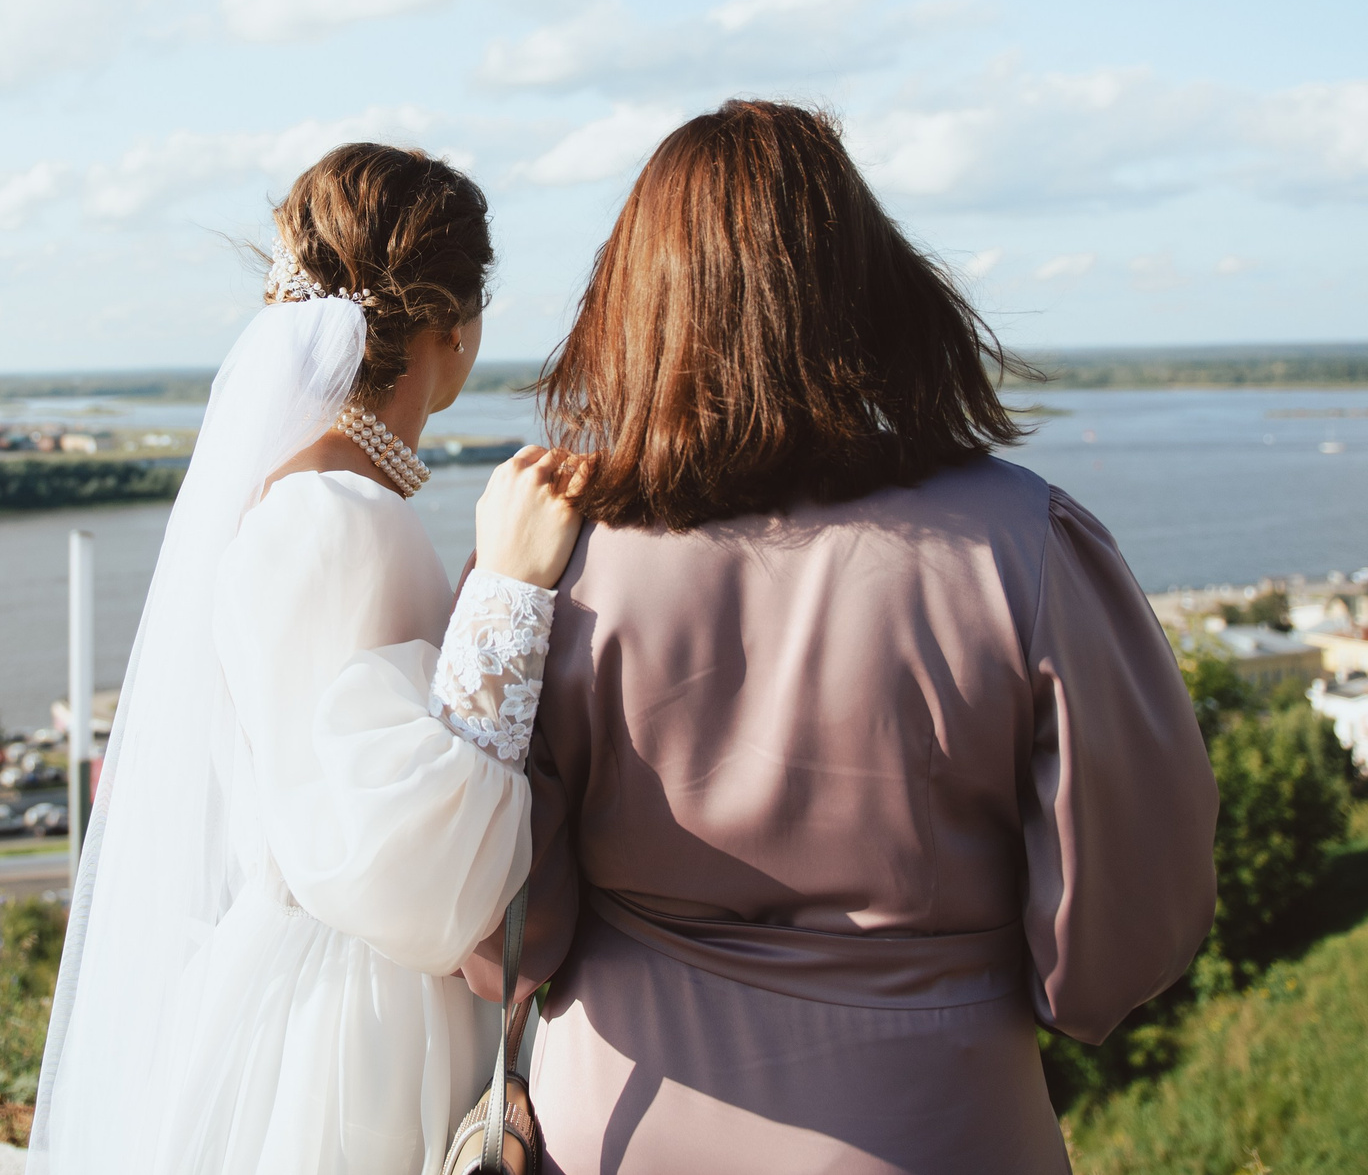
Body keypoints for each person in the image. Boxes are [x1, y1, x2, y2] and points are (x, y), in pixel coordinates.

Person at [465, 101, 1218, 1174]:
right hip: (942, 1122)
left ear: (632, 304)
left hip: (622, 1125)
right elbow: (1130, 913)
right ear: (877, 287)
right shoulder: (1025, 542)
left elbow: (497, 925)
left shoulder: (548, 554)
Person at [31, 143, 585, 1175]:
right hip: (358, 1019)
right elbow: (388, 858)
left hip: (293, 974)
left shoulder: (301, 497)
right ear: (454, 330)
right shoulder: (342, 519)